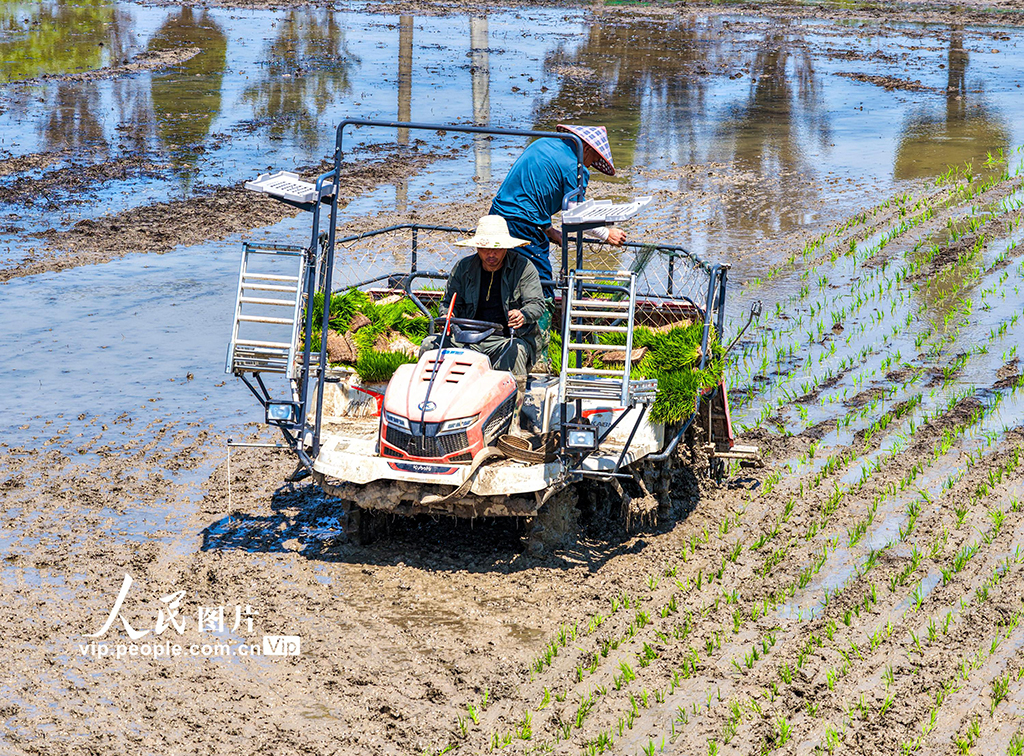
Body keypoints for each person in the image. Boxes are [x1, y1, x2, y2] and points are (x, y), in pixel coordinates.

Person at [489, 123, 627, 288]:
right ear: (587, 149)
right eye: (593, 160)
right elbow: (575, 215)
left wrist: (549, 230)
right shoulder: (575, 167)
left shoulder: (543, 143)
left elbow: (532, 193)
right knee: (540, 283)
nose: (589, 165)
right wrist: (606, 233)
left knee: (496, 276)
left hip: (495, 217)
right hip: (522, 225)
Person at [419, 215, 545, 383]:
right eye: (486, 249)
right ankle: (431, 403)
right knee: (429, 345)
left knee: (515, 352)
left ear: (506, 248)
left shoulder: (524, 268)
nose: (491, 254)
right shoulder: (463, 268)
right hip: (465, 338)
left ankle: (514, 407)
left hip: (505, 340)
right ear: (477, 247)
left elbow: (536, 304)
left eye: (497, 249)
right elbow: (448, 304)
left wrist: (522, 314)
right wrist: (447, 317)